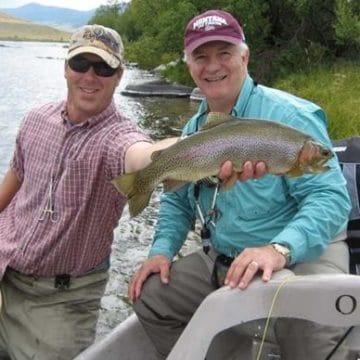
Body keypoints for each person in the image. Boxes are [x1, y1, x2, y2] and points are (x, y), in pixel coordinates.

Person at [0, 24, 261, 360]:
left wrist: (207, 148)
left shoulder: (117, 136)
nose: (90, 77)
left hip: (59, 300)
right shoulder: (36, 119)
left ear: (119, 75)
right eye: (81, 65)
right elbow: (15, 180)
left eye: (104, 68)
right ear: (66, 67)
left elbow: (143, 154)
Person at [129, 10, 352, 360]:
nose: (212, 66)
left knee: (306, 320)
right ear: (188, 65)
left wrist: (278, 250)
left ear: (245, 56)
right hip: (227, 256)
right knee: (152, 298)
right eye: (201, 56)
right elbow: (178, 202)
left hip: (302, 252)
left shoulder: (291, 118)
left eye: (224, 53)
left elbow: (330, 198)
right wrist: (161, 251)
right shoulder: (195, 129)